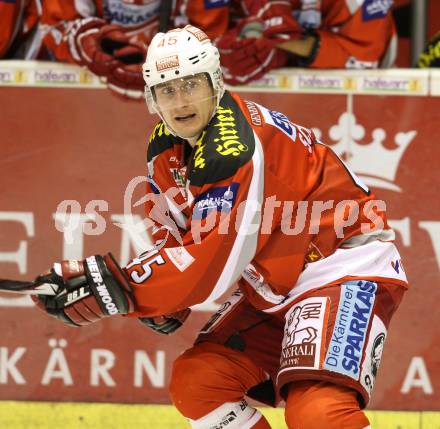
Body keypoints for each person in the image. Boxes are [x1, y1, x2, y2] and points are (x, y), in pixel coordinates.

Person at [33, 25, 408, 429]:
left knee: (317, 413)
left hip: (341, 268)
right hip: (275, 279)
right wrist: (153, 288)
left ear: (216, 82)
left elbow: (212, 265)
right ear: (151, 99)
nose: (179, 101)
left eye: (190, 84)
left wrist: (122, 290)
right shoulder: (167, 144)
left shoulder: (232, 148)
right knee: (198, 383)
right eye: (166, 90)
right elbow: (179, 234)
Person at [211, 0, 398, 85]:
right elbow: (209, 37)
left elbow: (363, 58)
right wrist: (240, 47)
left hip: (366, 94)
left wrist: (279, 37)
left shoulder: (363, 4)